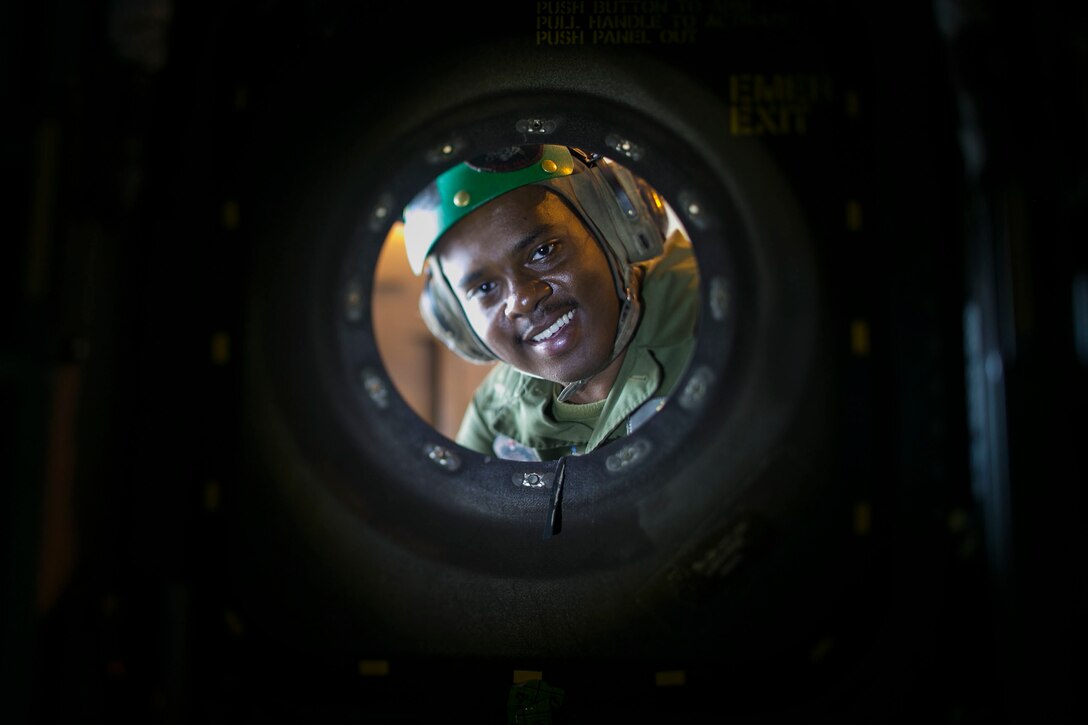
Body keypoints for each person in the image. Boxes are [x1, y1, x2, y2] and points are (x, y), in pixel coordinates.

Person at [401, 144, 699, 462]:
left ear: (613, 228)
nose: (523, 300)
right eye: (485, 287)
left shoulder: (720, 311)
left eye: (544, 251)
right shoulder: (495, 414)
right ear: (455, 321)